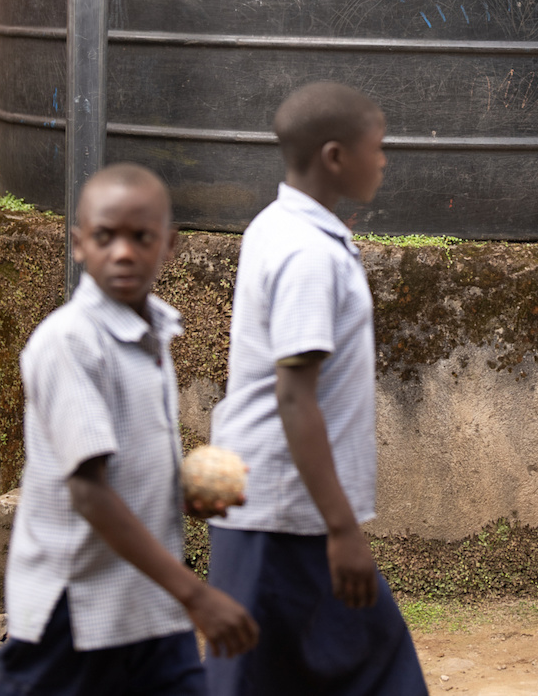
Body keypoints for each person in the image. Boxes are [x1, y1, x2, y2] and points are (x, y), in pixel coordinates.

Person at [0, 163, 258, 696]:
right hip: (77, 602)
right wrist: (197, 596)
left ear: (169, 245)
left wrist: (183, 492)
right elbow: (89, 492)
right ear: (80, 243)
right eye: (106, 237)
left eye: (141, 237)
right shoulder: (70, 343)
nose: (124, 252)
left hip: (146, 600)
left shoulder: (153, 331)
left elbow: (126, 464)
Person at [205, 81, 427, 695]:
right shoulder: (307, 254)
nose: (383, 160)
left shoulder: (279, 226)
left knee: (368, 668)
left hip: (282, 507)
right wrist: (343, 529)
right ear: (335, 156)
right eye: (376, 147)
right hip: (282, 514)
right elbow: (295, 396)